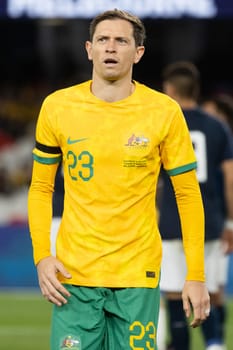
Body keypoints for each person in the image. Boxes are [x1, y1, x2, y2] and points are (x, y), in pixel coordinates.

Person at [28, 10, 210, 350]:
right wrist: (42, 256)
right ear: (89, 49)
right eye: (103, 39)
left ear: (137, 53)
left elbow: (187, 194)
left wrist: (196, 275)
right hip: (74, 275)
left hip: (137, 275)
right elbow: (41, 187)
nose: (111, 47)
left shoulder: (163, 111)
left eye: (121, 40)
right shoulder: (57, 107)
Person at [158, 61, 233, 350]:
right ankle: (214, 344)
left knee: (175, 293)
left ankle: (180, 345)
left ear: (171, 90)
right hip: (210, 221)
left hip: (172, 220)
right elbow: (229, 178)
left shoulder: (164, 123)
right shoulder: (217, 126)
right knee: (211, 291)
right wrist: (229, 223)